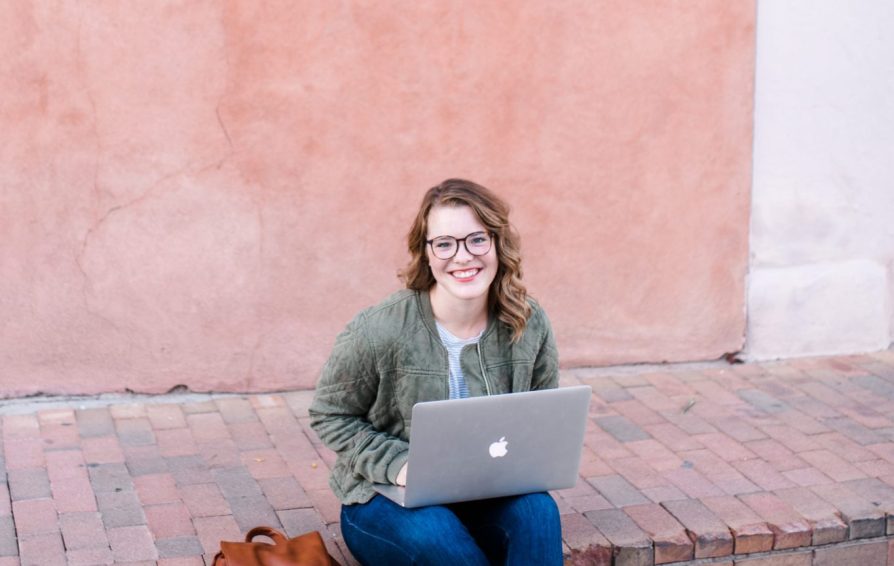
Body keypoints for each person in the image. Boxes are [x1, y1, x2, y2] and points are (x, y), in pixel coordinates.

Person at [309, 179, 562, 565]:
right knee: (437, 535)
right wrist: (399, 464)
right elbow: (331, 414)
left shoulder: (528, 322)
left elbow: (540, 415)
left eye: (476, 239)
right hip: (385, 499)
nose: (462, 256)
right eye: (444, 243)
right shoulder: (380, 329)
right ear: (426, 253)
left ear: (497, 243)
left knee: (539, 512)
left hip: (484, 493)